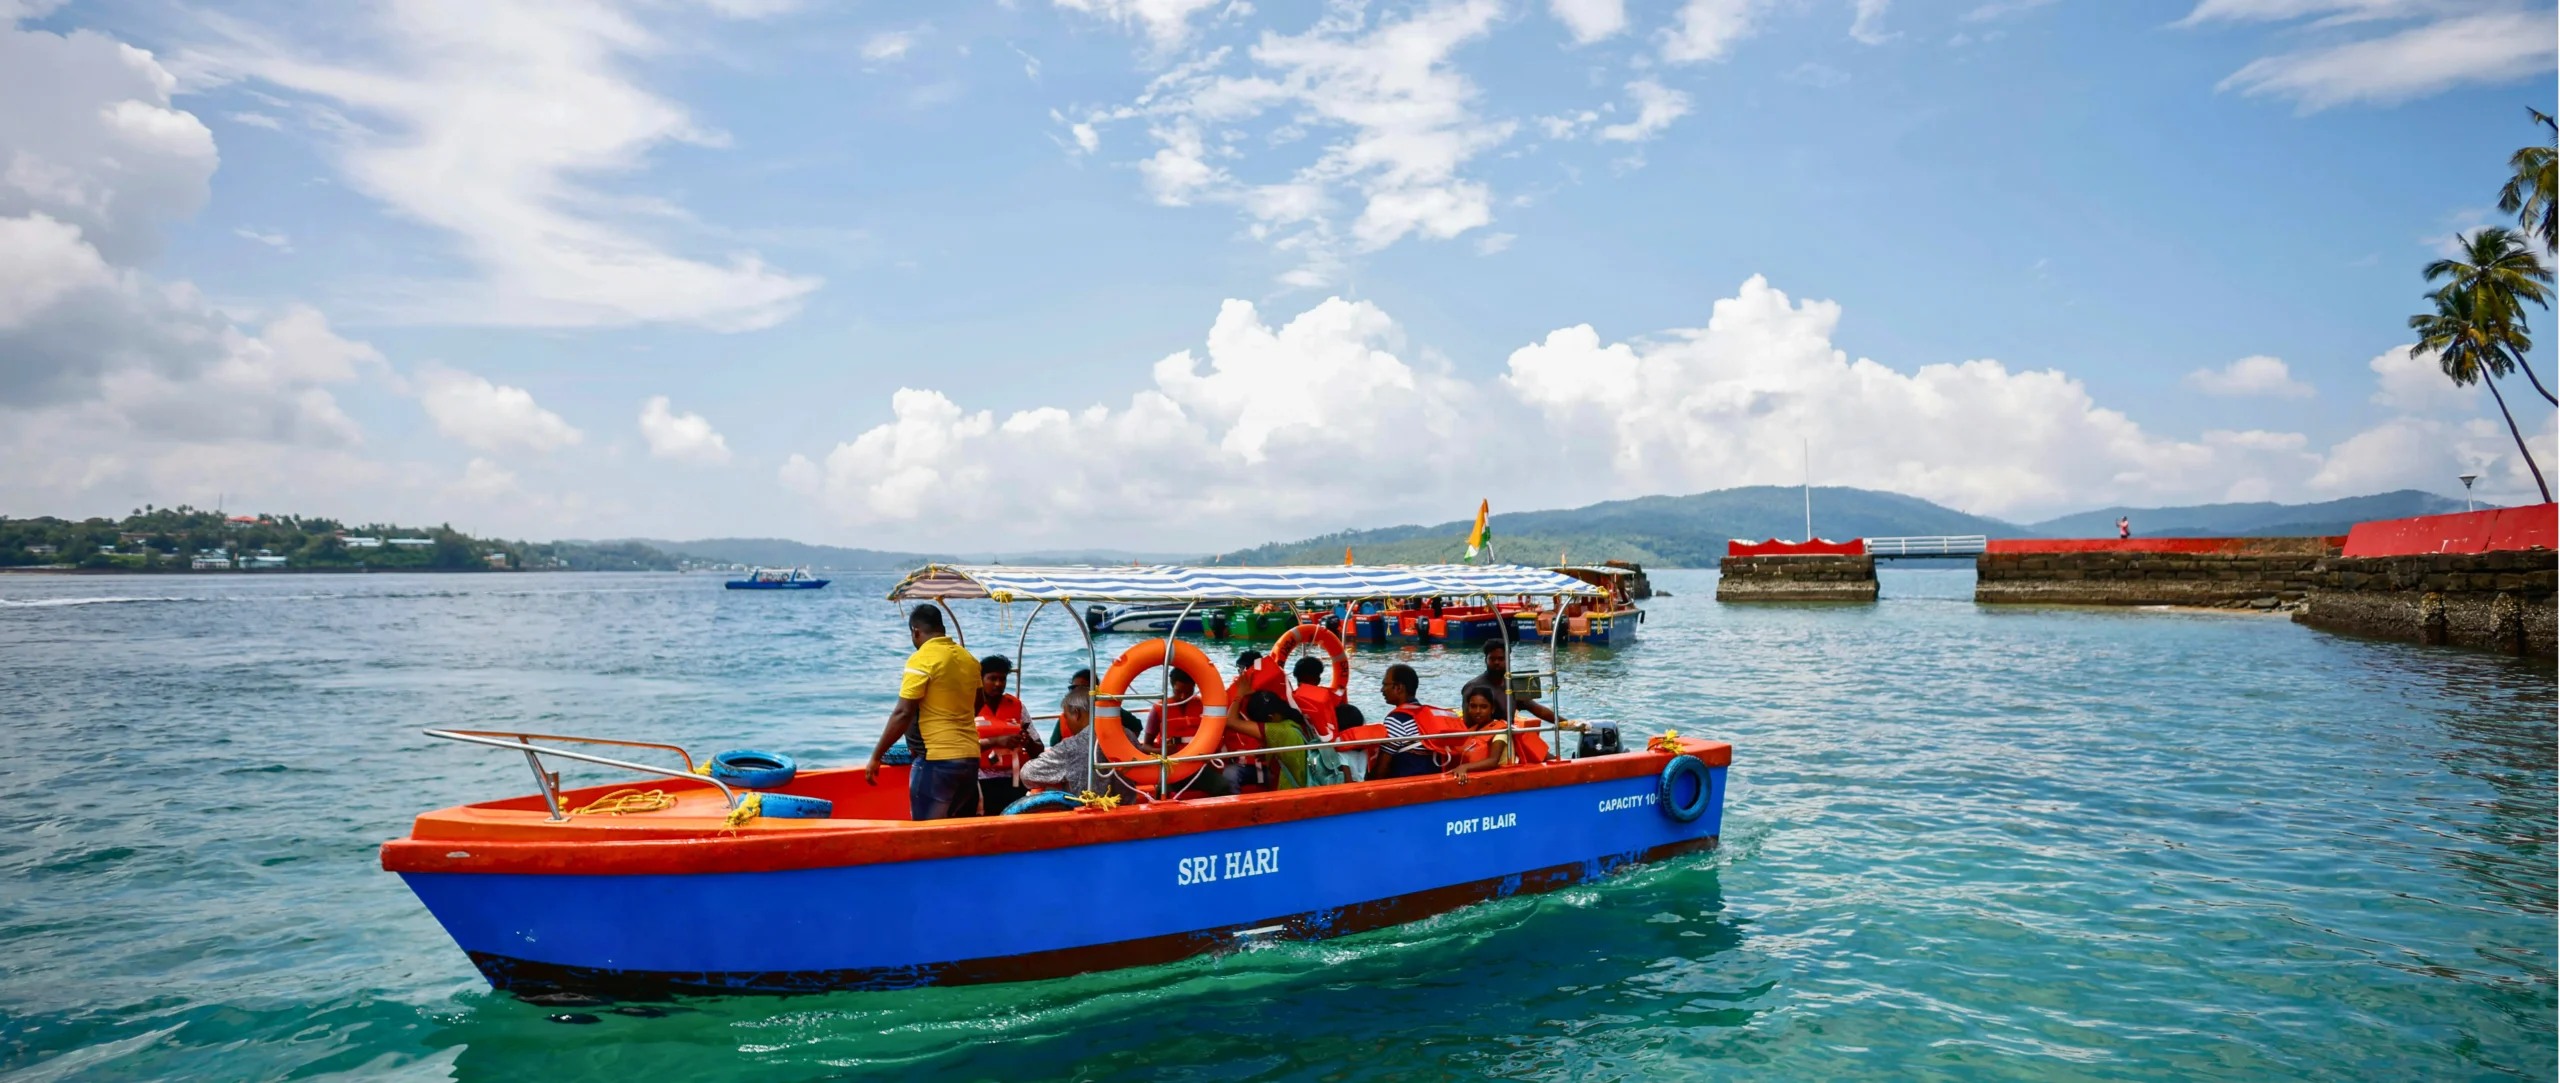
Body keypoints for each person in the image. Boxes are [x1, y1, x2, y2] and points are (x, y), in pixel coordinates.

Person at [866, 604, 982, 820]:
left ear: (915, 631)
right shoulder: (969, 659)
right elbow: (978, 702)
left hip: (938, 760)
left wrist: (876, 756)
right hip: (970, 759)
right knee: (953, 827)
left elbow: (903, 713)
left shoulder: (922, 658)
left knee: (926, 831)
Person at [1377, 663, 1461, 779]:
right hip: (1434, 780)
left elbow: (1382, 768)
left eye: (1385, 684)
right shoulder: (1426, 716)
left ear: (1398, 688)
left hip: (1407, 786)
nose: (1382, 690)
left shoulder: (1396, 720)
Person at [974, 655, 1034, 815]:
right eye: (992, 679)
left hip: (1014, 781)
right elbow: (959, 749)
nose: (998, 684)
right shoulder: (967, 707)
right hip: (978, 780)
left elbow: (1038, 750)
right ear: (980, 680)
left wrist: (1027, 741)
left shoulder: (1017, 707)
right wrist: (997, 741)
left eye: (1003, 679)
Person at [1459, 639, 1555, 730]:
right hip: (1483, 739)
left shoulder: (1513, 685)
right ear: (1486, 660)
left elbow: (1539, 710)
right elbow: (1468, 724)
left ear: (1508, 660)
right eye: (1492, 659)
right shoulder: (1473, 687)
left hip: (1507, 737)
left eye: (1501, 659)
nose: (1497, 662)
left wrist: (1565, 722)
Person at [1141, 669, 1203, 751]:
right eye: (1178, 692)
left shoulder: (1204, 705)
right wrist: (1162, 752)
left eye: (1188, 692)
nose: (1183, 697)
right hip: (1171, 760)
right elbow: (1146, 746)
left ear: (1194, 687)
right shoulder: (1159, 708)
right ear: (1172, 686)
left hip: (1199, 757)